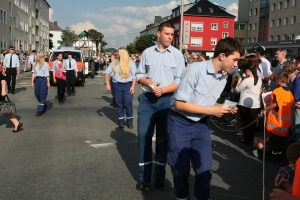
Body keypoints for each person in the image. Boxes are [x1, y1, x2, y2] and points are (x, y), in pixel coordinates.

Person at [167, 37, 243, 200]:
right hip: (179, 122)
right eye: (235, 60)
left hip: (201, 124)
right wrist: (212, 110)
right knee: (180, 170)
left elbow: (211, 104)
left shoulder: (223, 78)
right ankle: (182, 197)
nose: (236, 65)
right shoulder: (195, 69)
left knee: (204, 170)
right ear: (222, 55)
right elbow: (180, 104)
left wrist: (223, 110)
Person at [135, 22, 185, 190]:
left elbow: (180, 80)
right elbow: (139, 74)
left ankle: (159, 176)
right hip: (148, 100)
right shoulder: (147, 53)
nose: (170, 37)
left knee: (163, 139)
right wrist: (149, 84)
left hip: (167, 100)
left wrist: (163, 89)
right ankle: (144, 177)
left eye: (172, 34)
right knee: (144, 136)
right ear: (158, 34)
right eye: (167, 33)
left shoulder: (177, 55)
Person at [264, 72, 295, 160]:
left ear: (279, 81)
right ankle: (279, 156)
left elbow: (275, 105)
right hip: (286, 124)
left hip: (276, 123)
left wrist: (265, 109)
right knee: (281, 142)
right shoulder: (290, 94)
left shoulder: (277, 91)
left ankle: (274, 157)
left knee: (274, 142)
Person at [105, 48, 136, 128]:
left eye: (118, 52)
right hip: (117, 85)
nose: (116, 53)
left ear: (122, 53)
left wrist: (133, 86)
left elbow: (134, 76)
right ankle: (121, 121)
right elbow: (107, 73)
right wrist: (108, 84)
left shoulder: (130, 63)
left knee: (128, 103)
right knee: (119, 103)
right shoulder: (114, 62)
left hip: (127, 84)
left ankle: (130, 121)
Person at [235, 57, 263, 144]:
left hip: (245, 103)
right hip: (256, 103)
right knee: (253, 122)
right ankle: (252, 137)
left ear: (247, 70)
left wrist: (239, 81)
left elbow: (237, 89)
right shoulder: (258, 79)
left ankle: (247, 138)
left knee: (245, 121)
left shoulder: (247, 80)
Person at [31, 51, 50, 116]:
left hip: (43, 79)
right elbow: (33, 73)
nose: (37, 57)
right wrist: (32, 81)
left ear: (41, 57)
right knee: (36, 93)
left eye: (38, 56)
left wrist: (48, 82)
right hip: (37, 80)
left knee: (42, 94)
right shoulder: (35, 64)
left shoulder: (45, 64)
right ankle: (43, 103)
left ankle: (40, 110)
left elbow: (47, 74)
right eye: (36, 56)